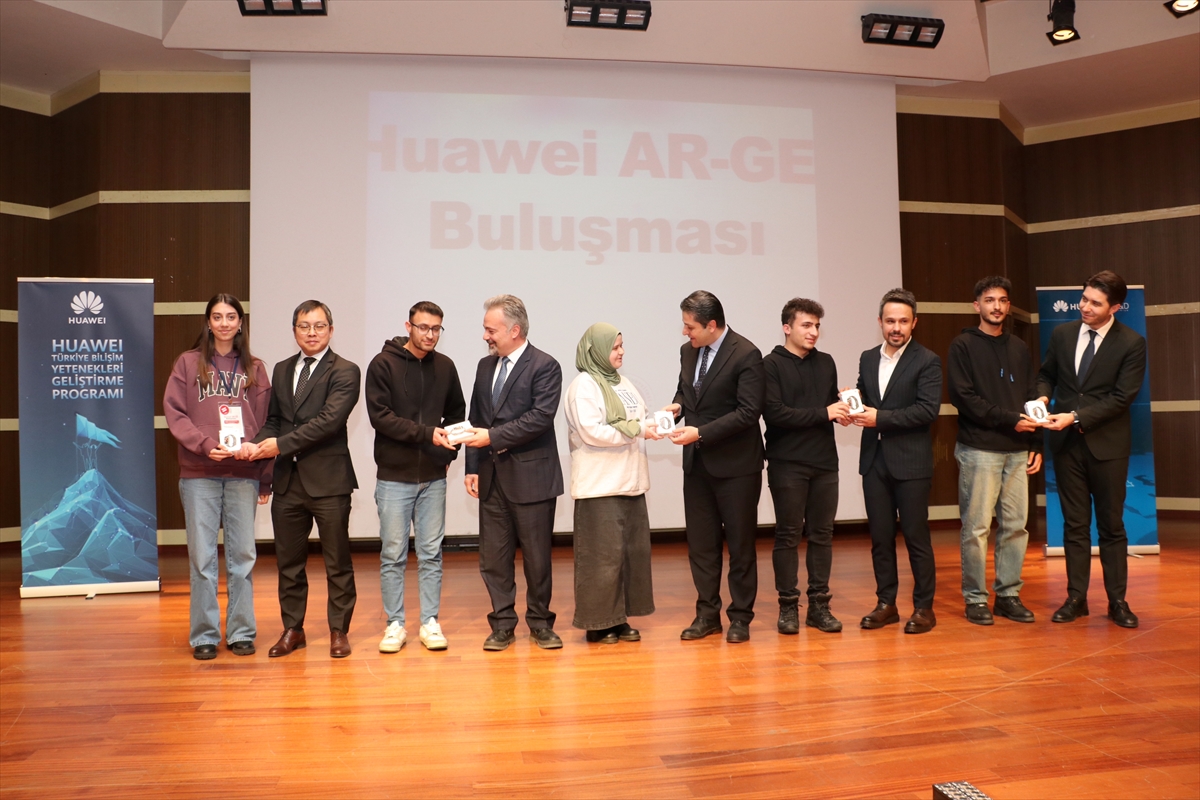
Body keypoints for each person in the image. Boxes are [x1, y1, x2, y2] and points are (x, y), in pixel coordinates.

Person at [239, 300, 362, 658]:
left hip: (329, 481)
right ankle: (293, 629)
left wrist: (278, 445)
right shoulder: (281, 369)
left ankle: (339, 631)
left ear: (331, 330)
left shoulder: (346, 370)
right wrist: (254, 444)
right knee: (289, 563)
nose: (312, 332)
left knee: (337, 563)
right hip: (288, 482)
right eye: (304, 326)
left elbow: (328, 422)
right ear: (294, 330)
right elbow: (276, 420)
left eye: (319, 326)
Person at [164, 294, 272, 660]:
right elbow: (175, 413)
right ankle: (204, 635)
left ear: (240, 323)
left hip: (243, 473)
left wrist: (263, 472)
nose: (224, 323)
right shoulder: (187, 363)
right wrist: (205, 445)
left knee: (243, 556)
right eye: (217, 317)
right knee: (202, 559)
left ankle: (241, 631)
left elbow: (267, 423)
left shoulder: (256, 368)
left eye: (231, 317)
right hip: (200, 472)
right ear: (208, 323)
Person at [1037, 271, 1146, 629]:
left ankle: (1117, 601)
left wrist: (1075, 416)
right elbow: (1047, 374)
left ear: (1115, 307)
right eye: (1084, 298)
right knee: (1074, 525)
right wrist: (1042, 398)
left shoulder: (1131, 343)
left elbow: (1122, 397)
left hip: (1108, 447)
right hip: (1066, 446)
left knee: (1112, 526)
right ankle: (1076, 598)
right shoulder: (1062, 334)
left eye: (1095, 303)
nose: (1084, 306)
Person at [462, 295, 565, 651]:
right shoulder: (484, 366)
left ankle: (541, 623)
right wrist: (472, 467)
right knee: (493, 558)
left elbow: (540, 418)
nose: (485, 337)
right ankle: (502, 624)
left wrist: (492, 438)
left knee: (537, 559)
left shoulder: (545, 366)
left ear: (514, 330)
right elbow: (476, 418)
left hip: (532, 478)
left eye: (491, 330)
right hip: (490, 477)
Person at [664, 290, 765, 644]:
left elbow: (748, 412)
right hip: (697, 465)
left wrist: (701, 432)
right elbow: (687, 391)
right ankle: (707, 615)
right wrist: (677, 408)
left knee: (740, 546)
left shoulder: (746, 353)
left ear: (711, 325)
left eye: (689, 326)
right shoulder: (688, 351)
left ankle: (740, 617)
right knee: (701, 546)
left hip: (737, 467)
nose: (684, 332)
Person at [365, 301, 466, 653]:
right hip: (394, 477)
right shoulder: (383, 364)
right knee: (393, 554)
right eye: (423, 327)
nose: (430, 335)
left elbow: (457, 414)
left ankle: (429, 622)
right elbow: (381, 418)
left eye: (436, 328)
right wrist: (427, 435)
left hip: (433, 478)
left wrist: (448, 453)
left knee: (431, 554)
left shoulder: (446, 366)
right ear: (408, 327)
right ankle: (395, 624)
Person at [948, 276, 1042, 626]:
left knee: (1016, 527)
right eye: (989, 300)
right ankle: (975, 599)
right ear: (977, 306)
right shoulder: (962, 345)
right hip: (979, 449)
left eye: (1002, 300)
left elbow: (1031, 396)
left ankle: (1008, 596)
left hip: (1017, 450)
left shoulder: (1019, 347)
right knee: (976, 529)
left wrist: (1036, 442)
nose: (997, 306)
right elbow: (964, 398)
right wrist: (1010, 420)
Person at [853, 288, 942, 635]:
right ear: (880, 321)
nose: (896, 328)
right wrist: (851, 405)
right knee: (880, 538)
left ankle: (924, 608)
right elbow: (864, 395)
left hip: (911, 464)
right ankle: (886, 604)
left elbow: (926, 411)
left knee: (917, 538)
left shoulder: (928, 360)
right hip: (874, 462)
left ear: (914, 323)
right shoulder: (867, 358)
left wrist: (879, 418)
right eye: (890, 321)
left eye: (903, 321)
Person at [565, 323, 659, 644]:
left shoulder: (623, 382)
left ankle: (618, 619)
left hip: (631, 482)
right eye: (615, 347)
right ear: (597, 351)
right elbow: (593, 431)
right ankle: (597, 624)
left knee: (628, 555)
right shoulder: (583, 386)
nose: (621, 352)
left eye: (622, 346)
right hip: (599, 486)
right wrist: (638, 430)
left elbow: (637, 420)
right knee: (601, 558)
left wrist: (655, 423)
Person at [762, 298, 849, 635]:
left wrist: (842, 412)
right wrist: (825, 413)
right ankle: (788, 606)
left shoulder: (826, 362)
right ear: (787, 328)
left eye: (817, 326)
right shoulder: (770, 365)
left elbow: (827, 408)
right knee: (788, 534)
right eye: (806, 325)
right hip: (787, 464)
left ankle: (819, 606)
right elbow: (775, 413)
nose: (814, 332)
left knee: (822, 535)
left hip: (825, 462)